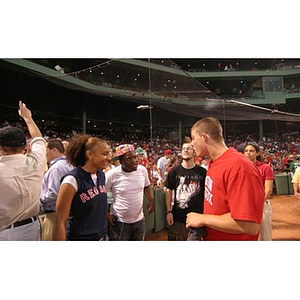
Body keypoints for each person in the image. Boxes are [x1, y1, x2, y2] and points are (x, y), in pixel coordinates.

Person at [186, 117, 265, 241]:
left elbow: (250, 225)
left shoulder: (240, 167)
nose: (191, 143)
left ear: (204, 137)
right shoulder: (214, 162)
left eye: (193, 138)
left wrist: (202, 219)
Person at [0, 101, 46, 240]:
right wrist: (28, 118)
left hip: (4, 232)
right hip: (32, 228)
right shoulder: (35, 162)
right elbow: (38, 139)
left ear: (1, 148)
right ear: (25, 146)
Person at [53, 135, 111, 241]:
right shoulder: (71, 180)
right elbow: (60, 222)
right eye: (105, 154)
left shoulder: (101, 175)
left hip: (102, 236)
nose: (109, 158)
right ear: (89, 154)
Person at [105, 144, 155, 241]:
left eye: (135, 157)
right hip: (119, 222)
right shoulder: (111, 174)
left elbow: (147, 186)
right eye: (129, 159)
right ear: (120, 161)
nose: (134, 161)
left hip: (139, 220)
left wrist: (151, 200)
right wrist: (106, 213)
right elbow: (101, 194)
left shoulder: (142, 170)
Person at [165, 141, 206, 241]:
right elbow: (168, 191)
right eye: (183, 148)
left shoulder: (202, 172)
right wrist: (169, 211)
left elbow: (206, 193)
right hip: (178, 217)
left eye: (188, 148)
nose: (185, 150)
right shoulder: (174, 171)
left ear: (194, 152)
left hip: (197, 217)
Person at [40, 139, 73, 240]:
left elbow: (53, 193)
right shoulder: (68, 164)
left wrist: (39, 200)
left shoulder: (56, 168)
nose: (44, 154)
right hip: (67, 212)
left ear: (54, 150)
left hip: (54, 214)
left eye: (46, 150)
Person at [243, 142, 274, 241]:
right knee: (246, 236)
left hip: (261, 205)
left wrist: (256, 204)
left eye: (251, 151)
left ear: (257, 153)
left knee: (265, 236)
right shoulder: (240, 167)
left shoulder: (265, 168)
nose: (248, 153)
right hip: (244, 206)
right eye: (246, 151)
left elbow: (268, 190)